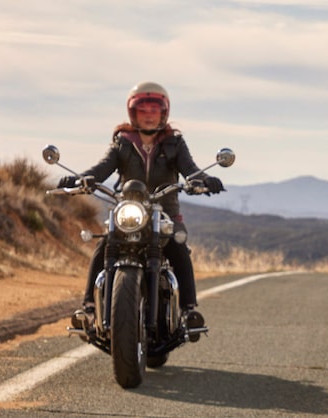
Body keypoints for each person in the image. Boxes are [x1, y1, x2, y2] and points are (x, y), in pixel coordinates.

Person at [58, 81, 225, 329]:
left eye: (154, 110)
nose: (148, 116)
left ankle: (189, 311)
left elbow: (190, 169)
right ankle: (89, 309)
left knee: (178, 246)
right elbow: (102, 167)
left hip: (165, 213)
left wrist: (203, 180)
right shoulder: (123, 142)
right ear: (133, 113)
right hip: (129, 213)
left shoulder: (175, 144)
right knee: (104, 245)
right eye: (142, 110)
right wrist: (81, 179)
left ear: (163, 113)